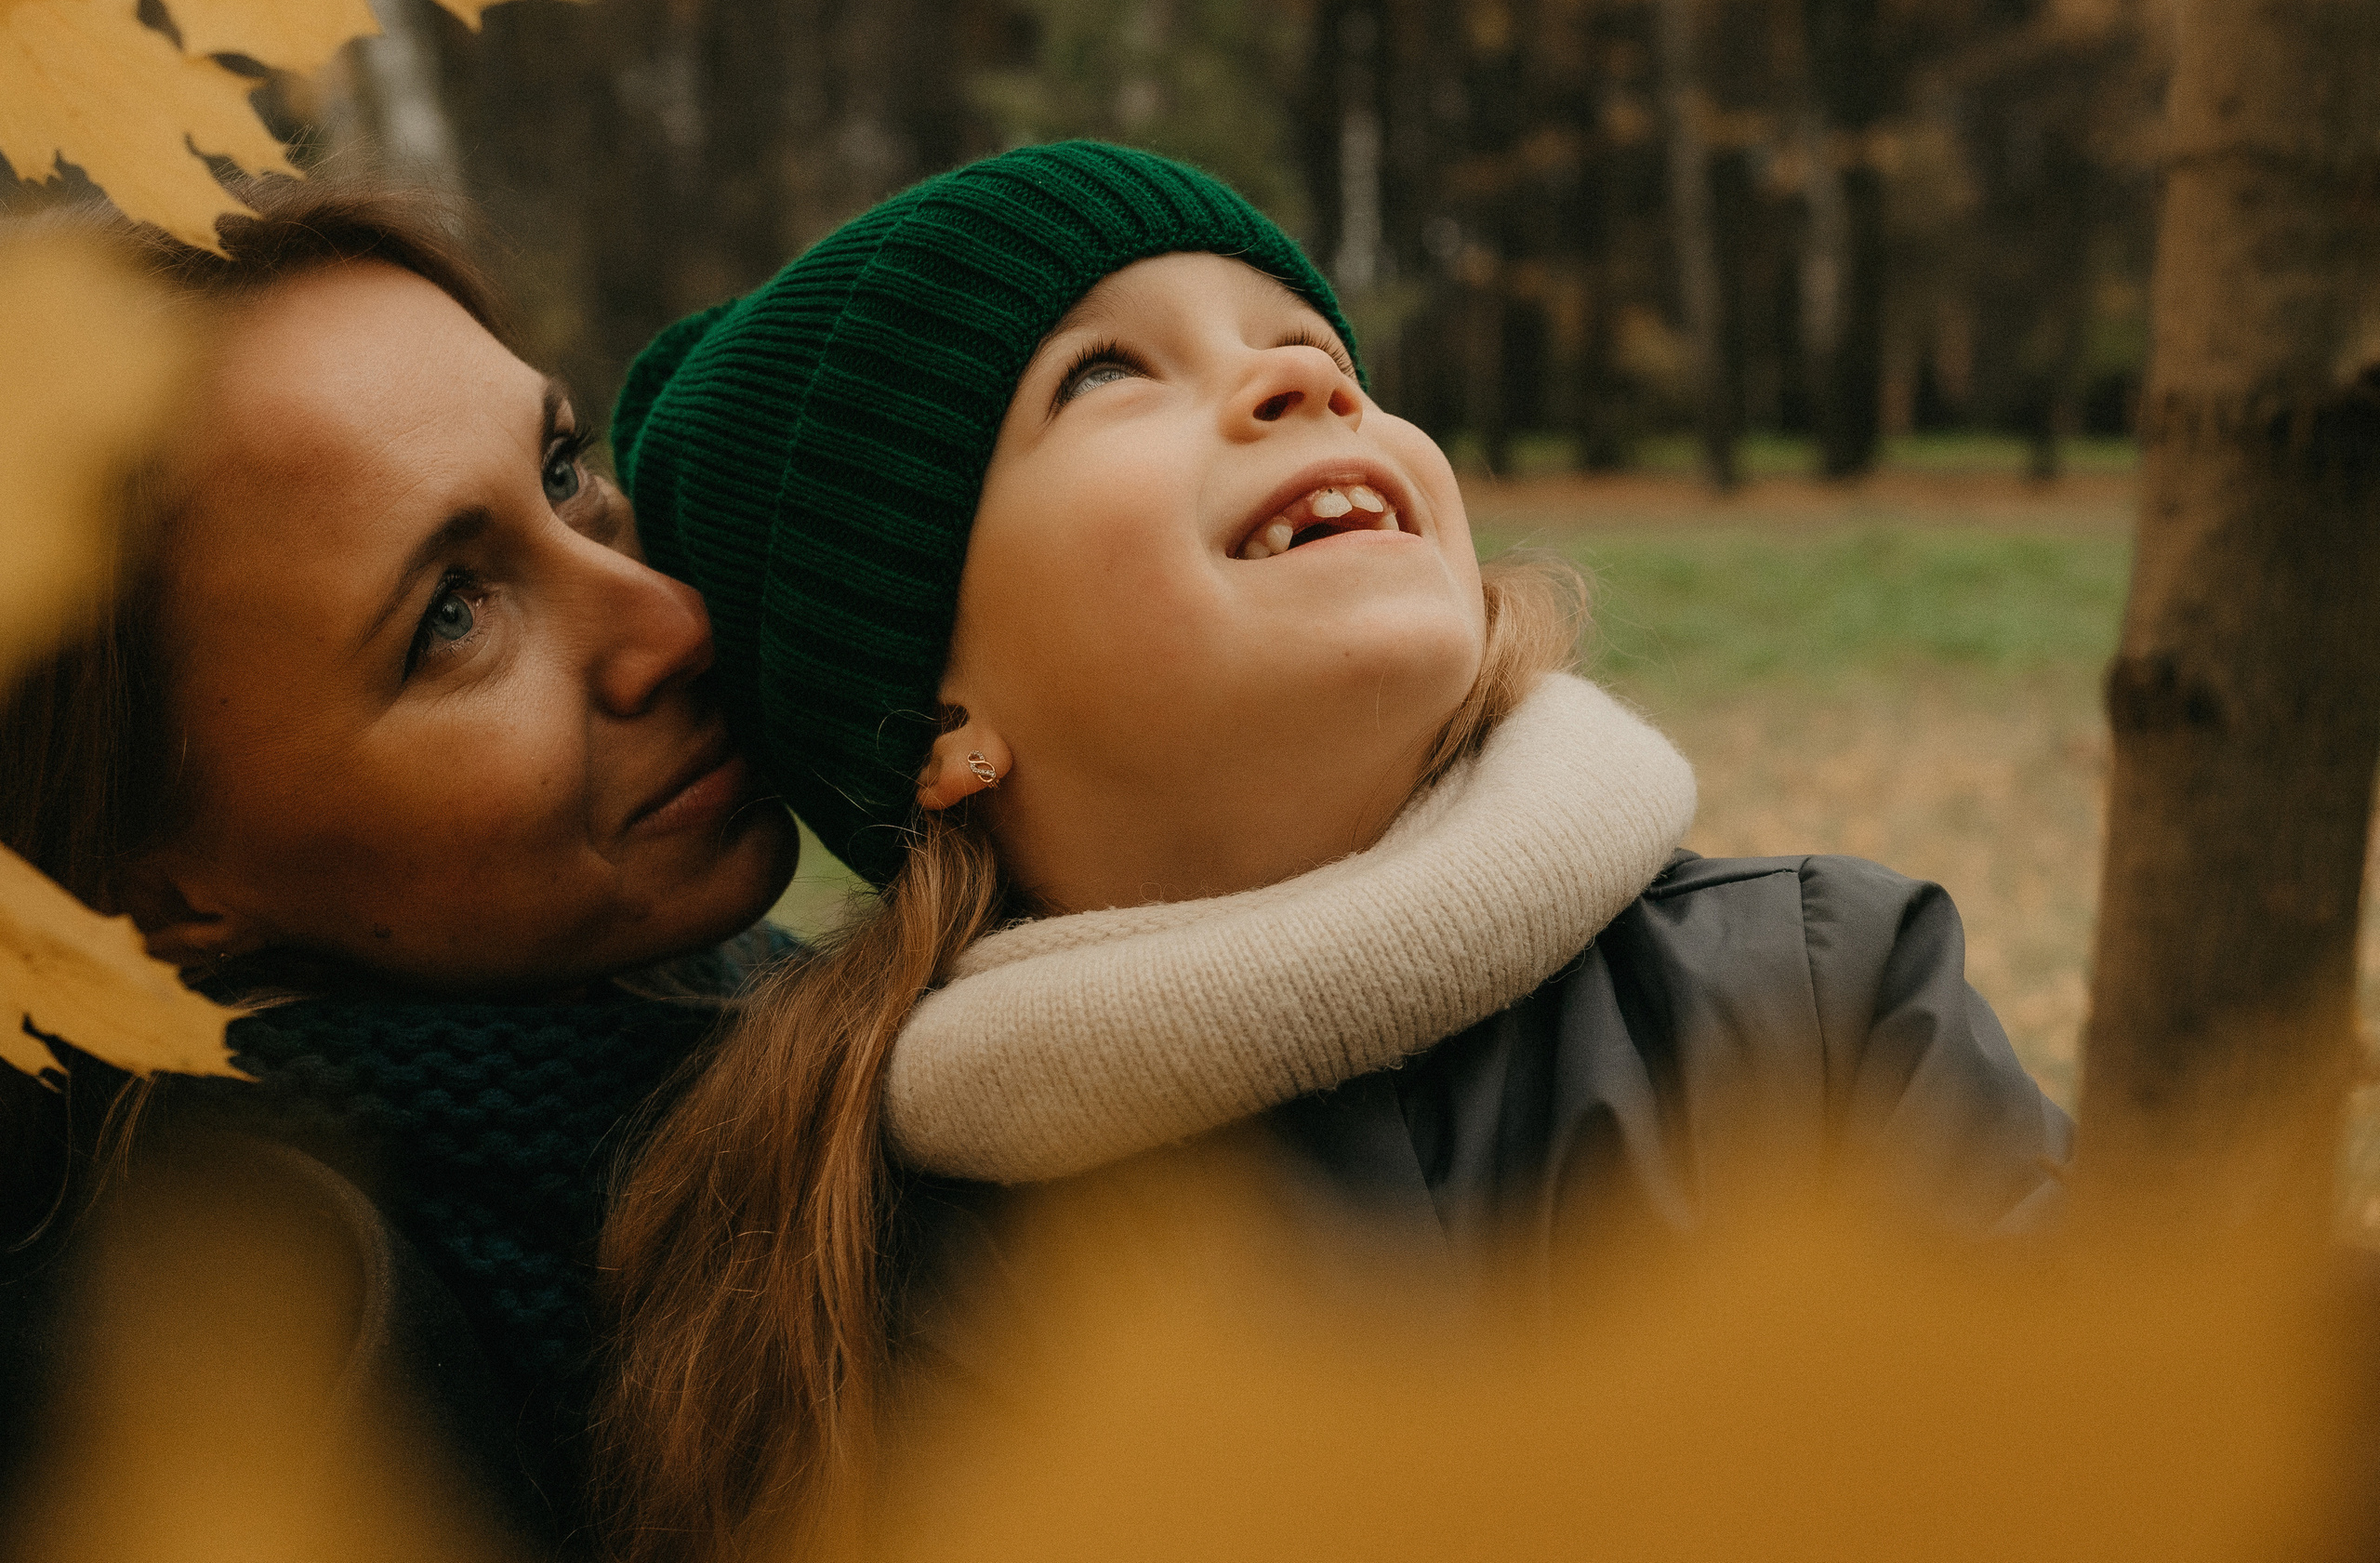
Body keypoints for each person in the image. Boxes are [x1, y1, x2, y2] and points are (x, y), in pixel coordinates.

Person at [595, 140, 2073, 1561]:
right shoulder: (870, 1287)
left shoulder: (1824, 998)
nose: (1299, 376)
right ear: (933, 713)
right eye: (1104, 372)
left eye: (1319, 350)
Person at [0, 181, 798, 1550]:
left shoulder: (743, 1060)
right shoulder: (272, 1400)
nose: (672, 621)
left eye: (561, 472)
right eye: (450, 616)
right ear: (159, 897)